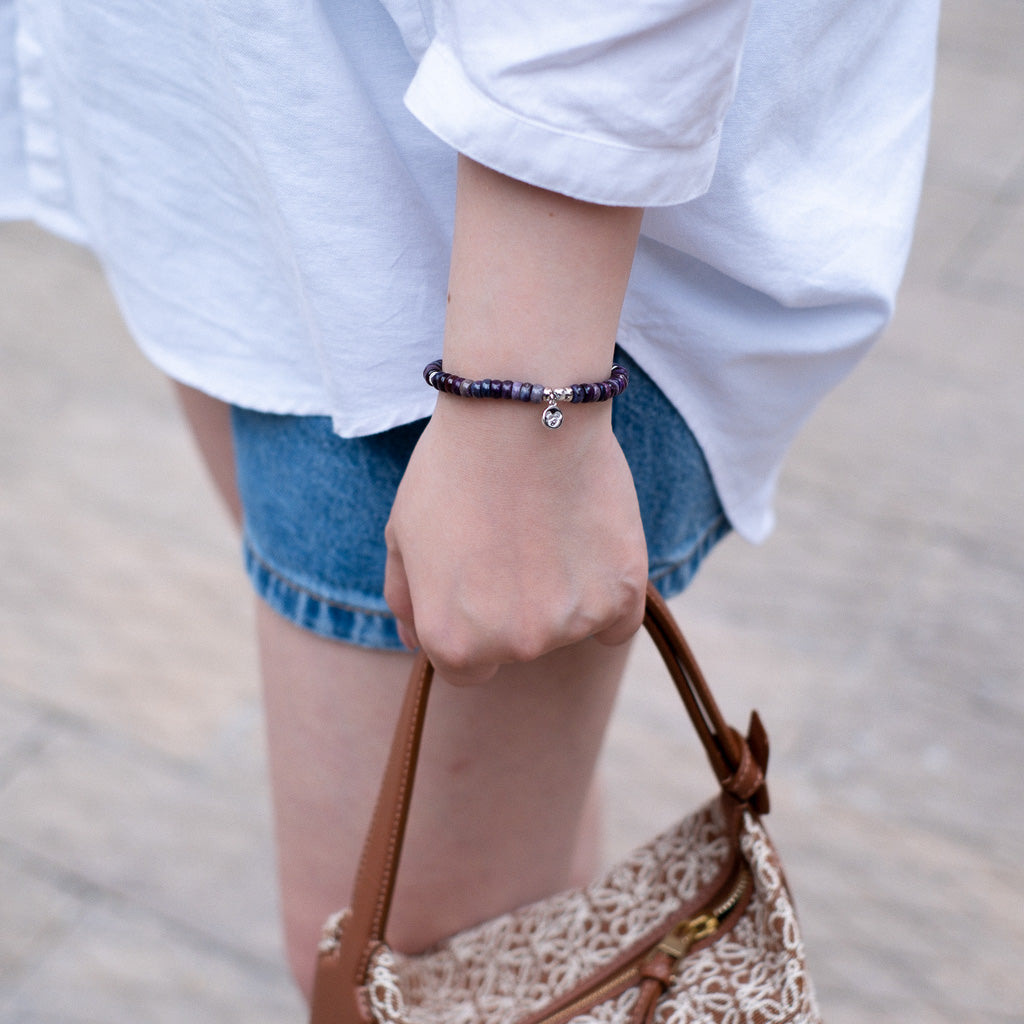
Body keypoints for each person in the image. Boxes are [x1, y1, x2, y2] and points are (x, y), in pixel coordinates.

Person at [0, 0, 940, 1004]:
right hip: (240, 136)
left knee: (418, 968)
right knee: (504, 932)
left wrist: (530, 397)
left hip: (486, 259)